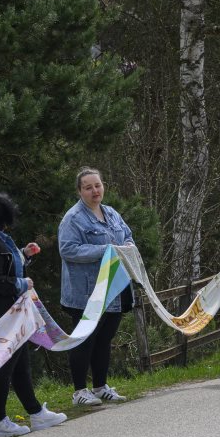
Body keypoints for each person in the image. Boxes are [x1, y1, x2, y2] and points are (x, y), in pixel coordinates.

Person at [0, 192, 67, 437]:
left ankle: (36, 412)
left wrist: (24, 254)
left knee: (20, 363)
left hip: (9, 312)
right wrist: (23, 283)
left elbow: (5, 265)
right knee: (4, 366)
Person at [58, 167, 135, 406]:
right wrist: (105, 251)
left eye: (98, 185)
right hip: (86, 294)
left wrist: (129, 246)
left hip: (114, 290)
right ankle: (79, 391)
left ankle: (101, 386)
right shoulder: (73, 219)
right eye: (88, 187)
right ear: (80, 191)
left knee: (104, 340)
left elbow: (127, 236)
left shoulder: (111, 213)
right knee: (84, 341)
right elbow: (68, 250)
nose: (95, 191)